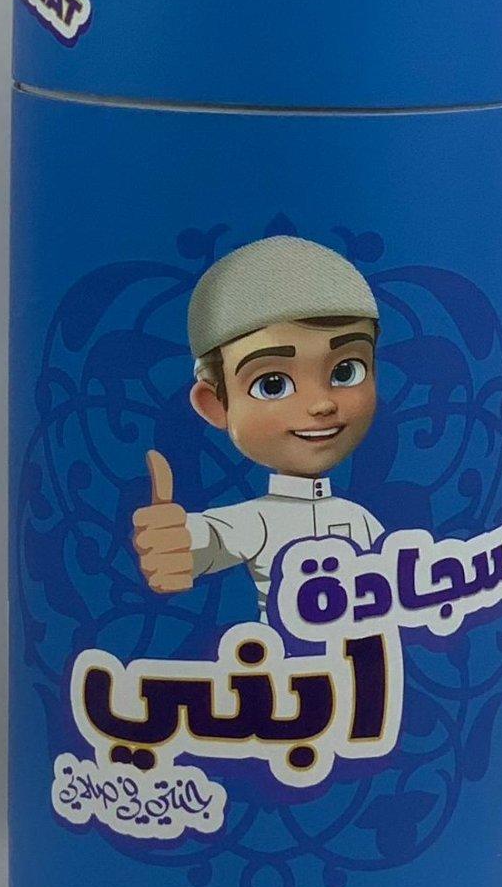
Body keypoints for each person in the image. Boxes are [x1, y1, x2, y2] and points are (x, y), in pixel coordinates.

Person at [132, 236, 383, 616]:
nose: (321, 404)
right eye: (272, 384)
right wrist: (174, 542)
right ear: (216, 404)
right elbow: (214, 538)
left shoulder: (359, 519)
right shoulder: (261, 521)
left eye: (346, 371)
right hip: (276, 652)